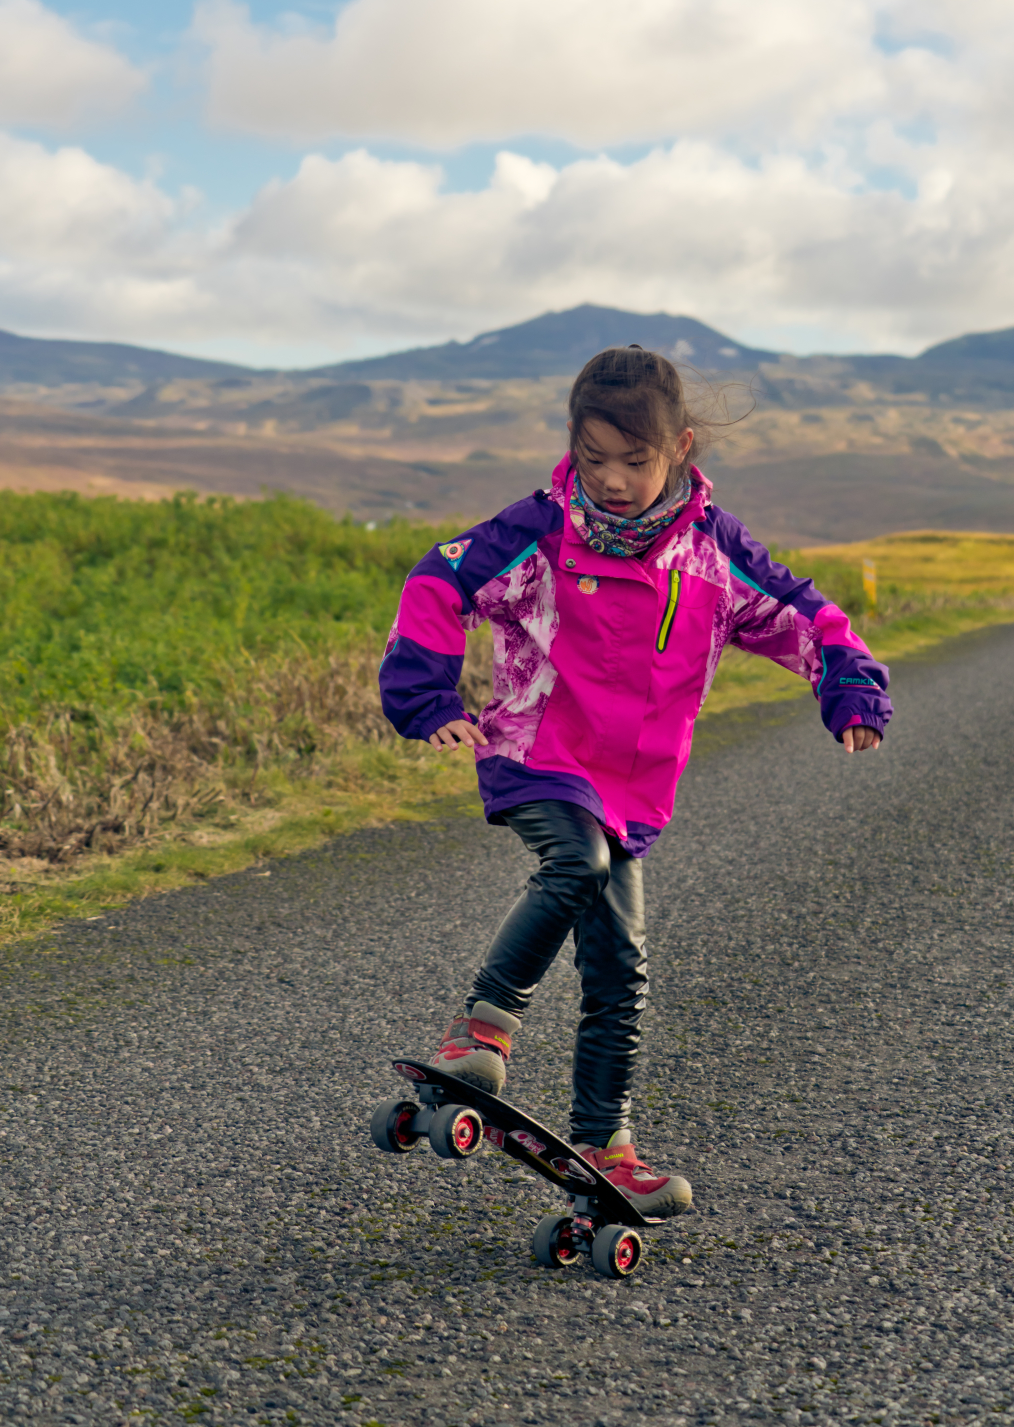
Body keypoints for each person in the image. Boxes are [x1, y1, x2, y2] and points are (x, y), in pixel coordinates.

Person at [379, 346, 891, 1216]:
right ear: (570, 448)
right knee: (572, 866)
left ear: (681, 449)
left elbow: (808, 615)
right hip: (537, 752)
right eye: (592, 460)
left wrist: (848, 687)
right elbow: (438, 577)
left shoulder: (713, 557)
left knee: (621, 968)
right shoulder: (537, 533)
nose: (612, 481)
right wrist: (428, 698)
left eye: (634, 459)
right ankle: (483, 1027)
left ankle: (605, 1144)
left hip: (634, 788)